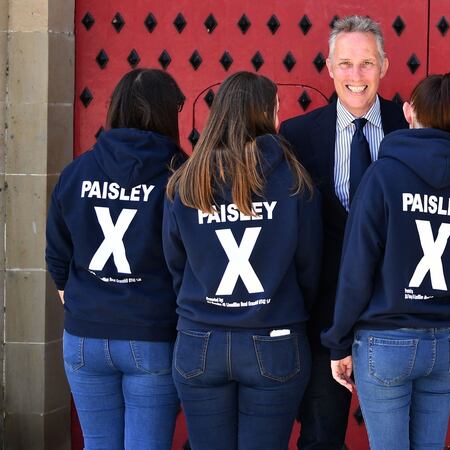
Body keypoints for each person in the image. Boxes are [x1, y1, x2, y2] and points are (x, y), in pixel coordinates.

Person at [322, 71, 450, 450]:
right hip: (447, 342)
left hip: (386, 342)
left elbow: (356, 267)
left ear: (408, 111)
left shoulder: (382, 175)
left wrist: (338, 341)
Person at [163, 71, 321, 450]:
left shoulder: (187, 181)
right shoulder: (294, 180)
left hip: (200, 338)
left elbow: (176, 264)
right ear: (268, 114)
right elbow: (309, 267)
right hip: (275, 338)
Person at [280, 15, 407, 449]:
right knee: (320, 438)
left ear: (384, 66)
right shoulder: (296, 135)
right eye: (346, 64)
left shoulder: (409, 129)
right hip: (322, 319)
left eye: (367, 64)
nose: (356, 76)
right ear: (330, 67)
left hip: (395, 315)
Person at [45, 68, 184, 449]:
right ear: (167, 114)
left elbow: (57, 256)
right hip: (152, 334)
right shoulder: (180, 176)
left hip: (83, 336)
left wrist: (84, 302)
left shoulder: (77, 171)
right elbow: (191, 260)